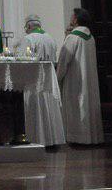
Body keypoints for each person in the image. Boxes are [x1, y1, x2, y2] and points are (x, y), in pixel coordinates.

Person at [56, 8, 104, 144]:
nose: (71, 18)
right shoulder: (90, 37)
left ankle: (77, 138)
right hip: (89, 80)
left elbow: (64, 60)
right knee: (87, 106)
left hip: (75, 81)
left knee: (76, 107)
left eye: (72, 16)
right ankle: (92, 137)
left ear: (76, 19)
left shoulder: (73, 37)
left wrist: (57, 77)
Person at [19, 14, 66, 146]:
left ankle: (37, 138)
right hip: (49, 79)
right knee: (49, 108)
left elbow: (23, 61)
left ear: (28, 26)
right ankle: (53, 139)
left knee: (36, 108)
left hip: (34, 80)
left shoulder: (28, 39)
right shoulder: (50, 38)